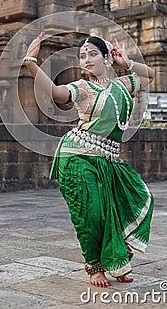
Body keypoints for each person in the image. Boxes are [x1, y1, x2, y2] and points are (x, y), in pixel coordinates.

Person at [23, 33, 155, 287]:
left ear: (106, 58)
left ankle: (117, 259)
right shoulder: (83, 88)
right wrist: (31, 61)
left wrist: (127, 62)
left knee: (138, 199)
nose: (86, 59)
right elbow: (56, 93)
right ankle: (95, 267)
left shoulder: (123, 84)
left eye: (92, 54)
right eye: (82, 56)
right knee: (92, 213)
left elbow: (150, 75)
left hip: (109, 160)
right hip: (77, 157)